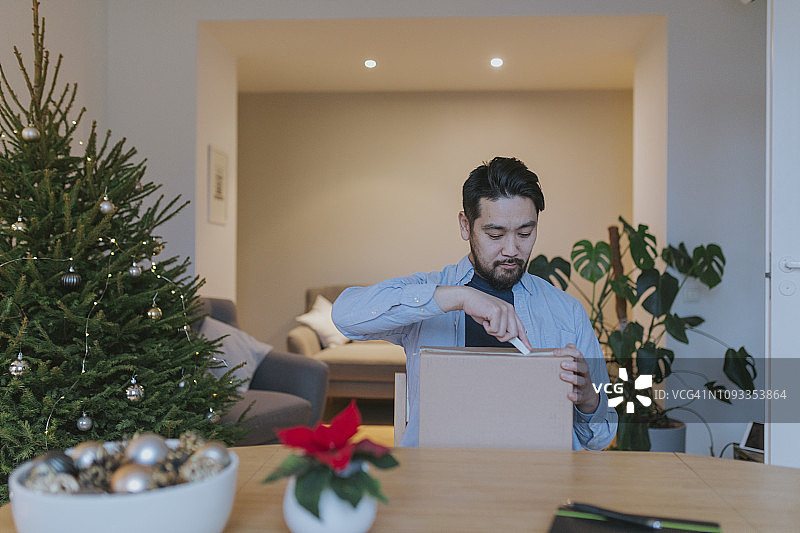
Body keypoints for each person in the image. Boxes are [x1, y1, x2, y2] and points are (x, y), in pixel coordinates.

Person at [331, 156, 618, 449]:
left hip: (538, 480)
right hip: (441, 478)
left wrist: (589, 400)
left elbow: (600, 438)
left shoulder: (566, 313)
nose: (511, 250)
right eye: (495, 234)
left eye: (525, 233)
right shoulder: (432, 292)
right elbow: (345, 315)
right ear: (466, 226)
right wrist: (460, 296)